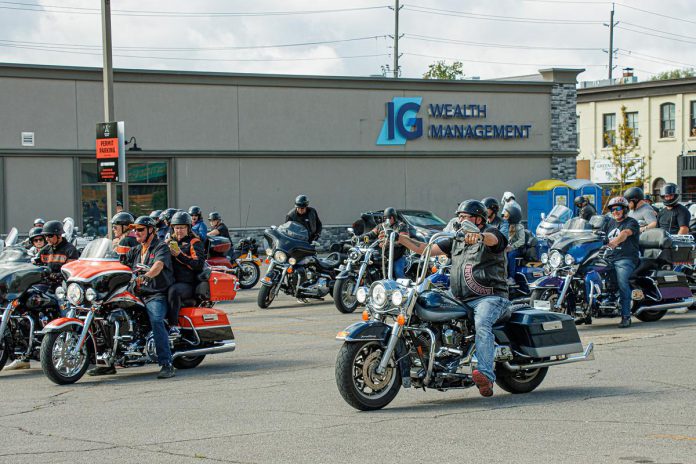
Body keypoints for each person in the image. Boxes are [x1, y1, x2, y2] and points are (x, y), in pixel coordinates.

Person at [397, 200, 509, 398]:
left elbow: (494, 240)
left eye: (465, 217)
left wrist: (480, 237)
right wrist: (401, 239)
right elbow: (426, 249)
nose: (460, 220)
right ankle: (437, 357)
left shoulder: (492, 233)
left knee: (482, 323)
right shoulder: (456, 240)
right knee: (423, 302)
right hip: (458, 296)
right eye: (459, 216)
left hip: (490, 298)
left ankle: (486, 375)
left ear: (478, 219)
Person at [89, 216, 175, 379]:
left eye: (140, 229)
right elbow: (120, 263)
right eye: (135, 229)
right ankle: (106, 363)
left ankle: (166, 363)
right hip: (135, 292)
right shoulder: (136, 250)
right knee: (103, 316)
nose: (136, 232)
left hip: (154, 293)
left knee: (156, 320)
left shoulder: (160, 247)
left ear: (151, 230)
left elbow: (158, 265)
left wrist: (148, 276)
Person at [602, 197, 640, 328]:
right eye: (613, 209)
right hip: (608, 258)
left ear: (624, 209)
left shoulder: (632, 222)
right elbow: (599, 235)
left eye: (618, 208)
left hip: (626, 258)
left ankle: (626, 316)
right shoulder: (609, 223)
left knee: (622, 282)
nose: (615, 211)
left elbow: (624, 233)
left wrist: (614, 242)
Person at [166, 212, 205, 336]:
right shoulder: (169, 241)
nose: (179, 230)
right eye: (176, 227)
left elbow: (198, 264)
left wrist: (180, 255)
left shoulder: (194, 242)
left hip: (188, 284)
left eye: (182, 227)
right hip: (170, 280)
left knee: (173, 291)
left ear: (188, 228)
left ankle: (173, 326)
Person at [360, 207, 410, 278]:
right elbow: (371, 234)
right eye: (385, 217)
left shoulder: (401, 226)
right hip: (384, 255)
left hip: (398, 256)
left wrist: (389, 244)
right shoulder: (381, 226)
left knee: (398, 272)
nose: (386, 219)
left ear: (393, 217)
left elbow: (404, 240)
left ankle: (403, 288)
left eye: (388, 217)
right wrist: (361, 238)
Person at [502, 204, 525, 285]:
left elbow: (522, 241)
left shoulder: (519, 227)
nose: (504, 217)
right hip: (507, 247)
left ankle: (511, 278)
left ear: (512, 216)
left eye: (506, 215)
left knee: (510, 255)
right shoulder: (505, 225)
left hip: (517, 249)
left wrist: (511, 247)